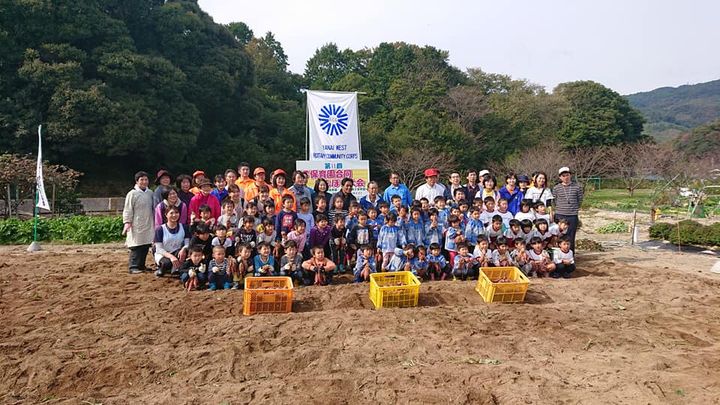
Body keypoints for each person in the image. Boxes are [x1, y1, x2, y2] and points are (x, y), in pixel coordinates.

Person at [123, 171, 155, 274]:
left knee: (145, 245)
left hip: (148, 223)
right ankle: (133, 266)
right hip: (136, 223)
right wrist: (127, 222)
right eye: (142, 180)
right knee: (136, 245)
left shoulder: (150, 193)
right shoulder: (132, 194)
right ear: (137, 181)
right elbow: (128, 209)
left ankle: (141, 265)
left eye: (146, 180)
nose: (144, 182)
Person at [153, 205, 190, 277]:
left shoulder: (184, 227)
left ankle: (175, 268)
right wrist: (171, 257)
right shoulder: (160, 229)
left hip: (177, 252)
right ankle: (162, 268)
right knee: (167, 263)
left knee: (185, 254)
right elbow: (159, 249)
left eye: (176, 212)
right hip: (163, 254)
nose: (174, 215)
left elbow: (187, 243)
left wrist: (184, 249)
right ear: (166, 215)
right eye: (171, 213)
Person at [552, 167, 583, 251]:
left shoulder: (577, 187)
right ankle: (559, 256)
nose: (566, 177)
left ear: (570, 175)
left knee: (571, 236)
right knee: (559, 236)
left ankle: (570, 256)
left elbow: (580, 200)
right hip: (560, 215)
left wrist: (574, 209)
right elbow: (554, 201)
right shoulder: (556, 188)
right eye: (563, 175)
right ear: (560, 177)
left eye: (567, 175)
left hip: (572, 215)